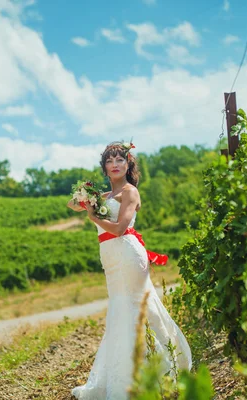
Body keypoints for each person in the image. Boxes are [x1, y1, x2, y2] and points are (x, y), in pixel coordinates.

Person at [68, 141, 192, 400]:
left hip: (127, 254)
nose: (114, 164)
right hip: (111, 259)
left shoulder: (129, 192)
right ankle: (128, 372)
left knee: (134, 308)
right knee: (119, 310)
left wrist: (93, 216)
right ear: (104, 167)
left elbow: (120, 228)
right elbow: (71, 204)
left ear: (128, 165)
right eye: (109, 161)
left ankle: (155, 370)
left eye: (119, 160)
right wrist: (86, 194)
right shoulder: (105, 197)